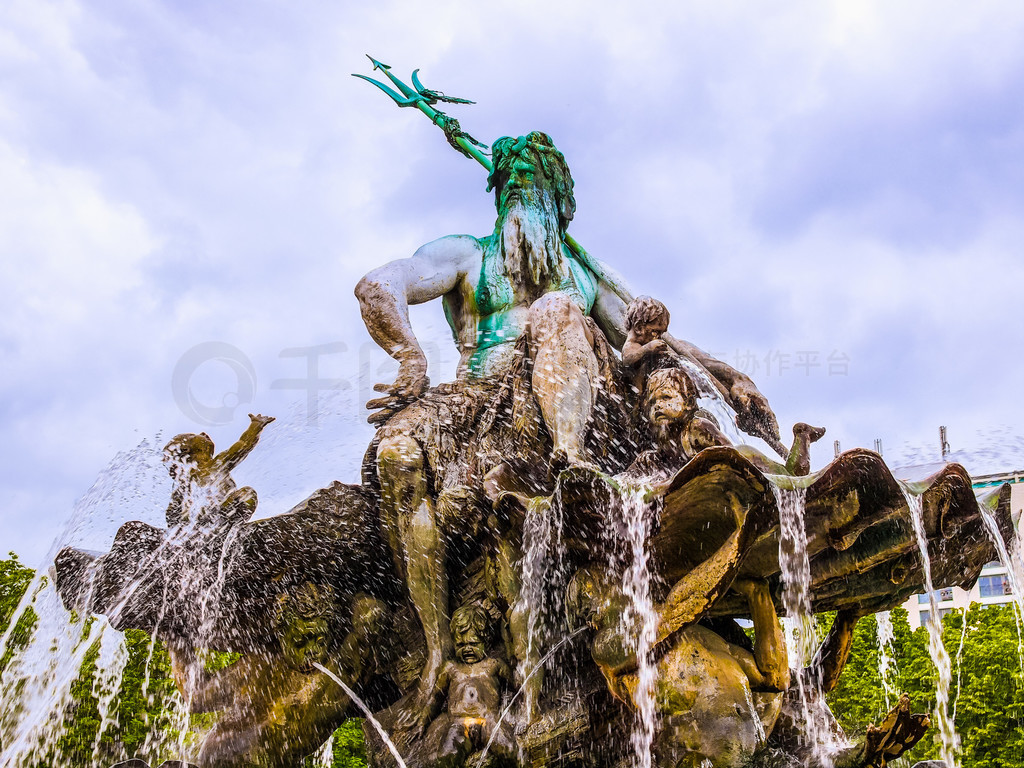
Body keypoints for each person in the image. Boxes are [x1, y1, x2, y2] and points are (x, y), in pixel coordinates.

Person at [355, 131, 781, 723]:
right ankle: (436, 651)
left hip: (571, 411)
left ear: (560, 205)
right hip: (475, 397)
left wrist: (724, 375)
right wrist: (409, 355)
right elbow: (379, 285)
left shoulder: (581, 279)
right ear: (498, 199)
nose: (520, 195)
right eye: (511, 186)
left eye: (535, 186)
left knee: (557, 309)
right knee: (398, 455)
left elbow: (652, 345)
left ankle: (568, 462)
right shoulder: (467, 255)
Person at [566, 566, 789, 768]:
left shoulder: (700, 635)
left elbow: (774, 679)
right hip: (703, 760)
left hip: (759, 753)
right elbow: (676, 611)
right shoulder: (606, 645)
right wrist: (734, 555)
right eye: (609, 586)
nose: (623, 587)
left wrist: (758, 594)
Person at [639, 367, 825, 478]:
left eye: (666, 397)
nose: (658, 406)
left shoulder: (697, 428)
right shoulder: (665, 435)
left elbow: (730, 453)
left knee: (792, 477)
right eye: (653, 402)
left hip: (749, 461)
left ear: (688, 402)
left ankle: (803, 435)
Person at [421, 604, 516, 765]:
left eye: (473, 643)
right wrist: (422, 722)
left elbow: (518, 687)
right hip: (459, 723)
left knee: (509, 748)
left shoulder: (494, 665)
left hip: (489, 721)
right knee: (446, 756)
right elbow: (435, 699)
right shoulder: (450, 669)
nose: (467, 649)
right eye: (461, 645)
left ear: (486, 640)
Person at [162, 413, 275, 529]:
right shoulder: (214, 465)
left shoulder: (188, 480)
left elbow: (243, 447)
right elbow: (243, 445)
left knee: (246, 494)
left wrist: (256, 426)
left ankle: (224, 525)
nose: (203, 434)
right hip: (204, 517)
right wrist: (256, 425)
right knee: (248, 493)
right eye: (193, 435)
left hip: (217, 514)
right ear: (186, 450)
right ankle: (215, 523)